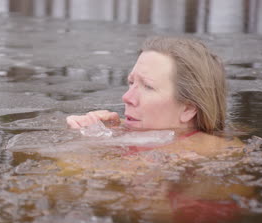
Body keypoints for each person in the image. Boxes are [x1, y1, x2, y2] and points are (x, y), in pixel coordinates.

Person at [66, 36, 241, 156]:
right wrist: (103, 133)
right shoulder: (151, 140)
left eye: (148, 86)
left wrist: (86, 146)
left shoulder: (204, 154)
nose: (126, 97)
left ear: (188, 108)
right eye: (131, 82)